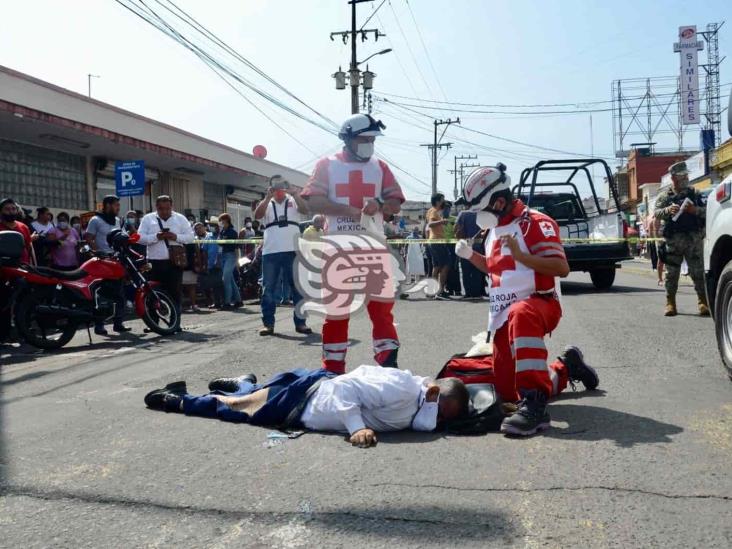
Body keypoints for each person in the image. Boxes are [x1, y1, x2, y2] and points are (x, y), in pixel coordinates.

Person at [455, 163, 597, 436]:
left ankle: (535, 406)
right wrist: (471, 256)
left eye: (481, 210)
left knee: (521, 313)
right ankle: (567, 367)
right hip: (503, 315)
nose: (478, 217)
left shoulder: (536, 223)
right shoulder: (493, 229)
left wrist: (523, 256)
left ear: (498, 201)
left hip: (539, 305)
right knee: (508, 391)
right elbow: (497, 269)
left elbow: (560, 267)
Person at [143, 364, 470, 448]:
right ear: (434, 392)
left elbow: (432, 422)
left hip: (306, 403)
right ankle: (175, 400)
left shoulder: (421, 404)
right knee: (237, 409)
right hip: (305, 398)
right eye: (440, 411)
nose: (437, 421)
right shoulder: (401, 387)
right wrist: (357, 428)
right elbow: (346, 385)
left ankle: (244, 382)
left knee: (251, 395)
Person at [301, 114, 405, 373]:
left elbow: (396, 203)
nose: (369, 143)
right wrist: (352, 210)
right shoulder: (327, 165)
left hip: (374, 248)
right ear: (347, 138)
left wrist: (380, 205)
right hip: (339, 250)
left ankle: (388, 366)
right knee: (336, 314)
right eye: (364, 138)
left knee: (382, 313)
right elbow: (313, 201)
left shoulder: (380, 167)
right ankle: (332, 370)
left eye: (372, 139)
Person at [254, 175, 311, 335]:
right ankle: (268, 324)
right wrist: (266, 198)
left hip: (292, 249)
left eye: (282, 186)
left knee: (297, 287)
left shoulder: (293, 201)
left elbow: (306, 210)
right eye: (275, 186)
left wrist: (295, 193)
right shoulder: (266, 203)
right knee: (268, 288)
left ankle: (301, 323)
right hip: (271, 251)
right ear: (271, 187)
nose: (279, 189)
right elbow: (257, 216)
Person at [653, 161, 709, 317]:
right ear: (674, 178)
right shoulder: (665, 196)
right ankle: (670, 303)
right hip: (674, 241)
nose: (685, 177)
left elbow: (706, 211)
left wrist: (694, 210)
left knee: (697, 273)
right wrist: (668, 210)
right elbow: (656, 212)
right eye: (682, 175)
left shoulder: (695, 194)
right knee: (671, 274)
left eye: (686, 175)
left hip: (693, 240)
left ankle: (702, 302)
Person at [138, 195, 195, 331]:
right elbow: (140, 238)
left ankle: (175, 323)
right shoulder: (148, 219)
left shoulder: (180, 218)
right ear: (156, 207)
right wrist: (156, 237)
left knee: (174, 293)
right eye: (161, 208)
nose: (164, 211)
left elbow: (191, 237)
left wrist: (176, 237)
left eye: (167, 208)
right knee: (152, 294)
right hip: (154, 262)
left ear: (172, 207)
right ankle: (154, 323)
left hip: (174, 263)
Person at [85, 195, 129, 335]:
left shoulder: (117, 220)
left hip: (116, 260)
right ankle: (99, 325)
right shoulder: (95, 220)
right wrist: (98, 252)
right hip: (102, 261)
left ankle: (118, 323)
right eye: (116, 205)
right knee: (102, 294)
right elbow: (89, 238)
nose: (118, 208)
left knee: (120, 293)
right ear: (108, 205)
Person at [454, 209, 486, 298]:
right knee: (477, 269)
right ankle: (477, 293)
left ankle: (468, 293)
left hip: (466, 243)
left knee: (466, 270)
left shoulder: (463, 213)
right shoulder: (481, 213)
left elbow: (456, 229)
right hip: (477, 243)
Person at [426, 193, 452, 300]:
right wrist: (442, 221)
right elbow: (431, 224)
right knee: (446, 264)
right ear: (437, 201)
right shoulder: (433, 211)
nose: (444, 202)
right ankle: (440, 290)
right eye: (442, 200)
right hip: (437, 241)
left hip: (435, 241)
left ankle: (433, 290)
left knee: (436, 266)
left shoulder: (433, 211)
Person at [216, 213, 243, 310]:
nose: (220, 222)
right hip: (224, 256)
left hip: (231, 256)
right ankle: (238, 301)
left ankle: (227, 302)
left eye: (221, 220)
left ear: (226, 220)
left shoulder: (232, 232)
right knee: (230, 280)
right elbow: (219, 243)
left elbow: (236, 247)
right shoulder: (223, 231)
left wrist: (237, 260)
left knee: (225, 279)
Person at [199, 216, 224, 309]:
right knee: (213, 284)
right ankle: (217, 302)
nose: (212, 227)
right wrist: (205, 264)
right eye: (210, 225)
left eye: (214, 225)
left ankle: (224, 302)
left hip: (221, 264)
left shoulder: (222, 235)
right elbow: (204, 251)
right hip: (211, 264)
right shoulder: (208, 236)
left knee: (221, 284)